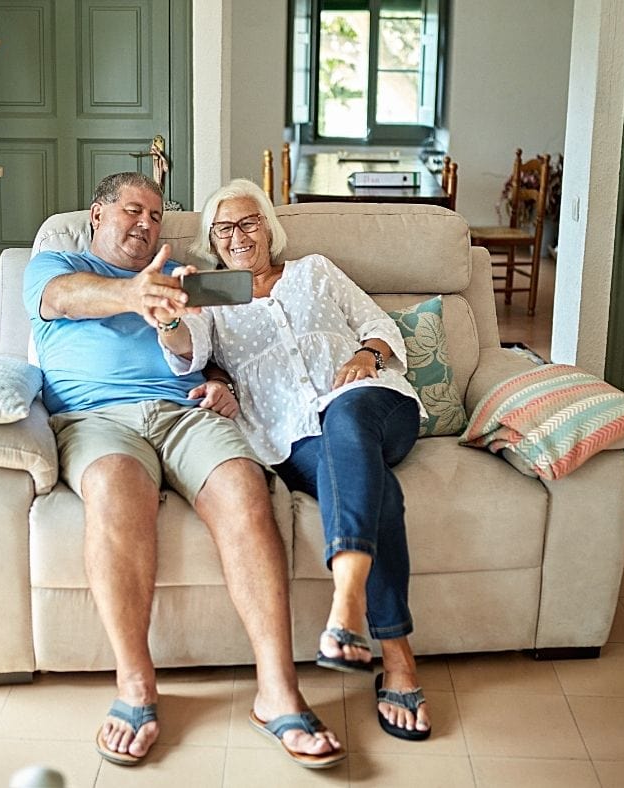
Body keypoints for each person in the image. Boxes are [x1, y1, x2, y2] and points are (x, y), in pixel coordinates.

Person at [22, 172, 344, 769]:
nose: (145, 224)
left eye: (155, 217)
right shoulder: (51, 264)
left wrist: (222, 384)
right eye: (132, 211)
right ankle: (136, 686)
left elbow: (230, 346)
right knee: (116, 490)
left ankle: (277, 693)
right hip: (97, 419)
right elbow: (65, 298)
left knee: (246, 489)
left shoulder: (188, 279)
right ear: (97, 214)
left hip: (184, 412)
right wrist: (136, 294)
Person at [155, 178, 432, 741]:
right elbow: (190, 352)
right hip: (289, 438)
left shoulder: (314, 271)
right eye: (225, 228)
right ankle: (398, 659)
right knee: (369, 480)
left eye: (249, 222)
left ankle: (348, 603)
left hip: (376, 404)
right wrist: (169, 315)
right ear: (212, 240)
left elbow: (378, 324)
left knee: (347, 419)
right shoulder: (216, 295)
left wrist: (364, 353)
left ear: (269, 228)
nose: (238, 236)